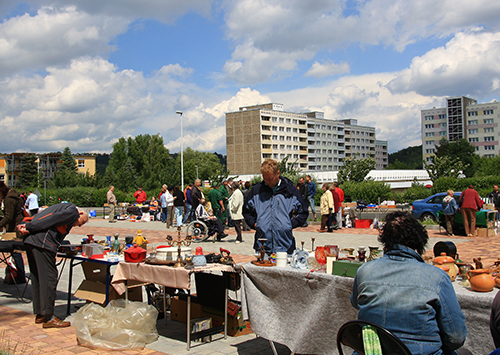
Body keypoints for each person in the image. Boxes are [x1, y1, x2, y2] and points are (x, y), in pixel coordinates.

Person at [351, 211, 467, 354]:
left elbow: (356, 303)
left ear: (385, 240)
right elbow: (456, 337)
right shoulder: (438, 277)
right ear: (420, 240)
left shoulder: (365, 271)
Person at [17, 203, 89, 328]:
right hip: (42, 243)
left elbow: (46, 218)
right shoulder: (72, 212)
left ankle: (40, 313)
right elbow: (49, 220)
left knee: (38, 277)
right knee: (49, 278)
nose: (79, 225)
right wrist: (30, 226)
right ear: (80, 214)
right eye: (81, 222)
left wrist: (29, 227)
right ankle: (48, 316)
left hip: (33, 242)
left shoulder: (62, 209)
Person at [243, 158, 308, 255]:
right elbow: (246, 211)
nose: (267, 181)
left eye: (270, 178)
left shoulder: (290, 191)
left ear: (278, 173)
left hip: (285, 245)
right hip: (262, 246)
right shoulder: (256, 191)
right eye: (264, 178)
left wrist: (289, 224)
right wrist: (255, 224)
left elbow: (303, 212)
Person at [0, 187, 26, 284]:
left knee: (15, 251)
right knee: (15, 252)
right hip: (16, 227)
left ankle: (20, 276)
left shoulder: (9, 199)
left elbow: (9, 216)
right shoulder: (11, 197)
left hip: (16, 228)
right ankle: (16, 274)